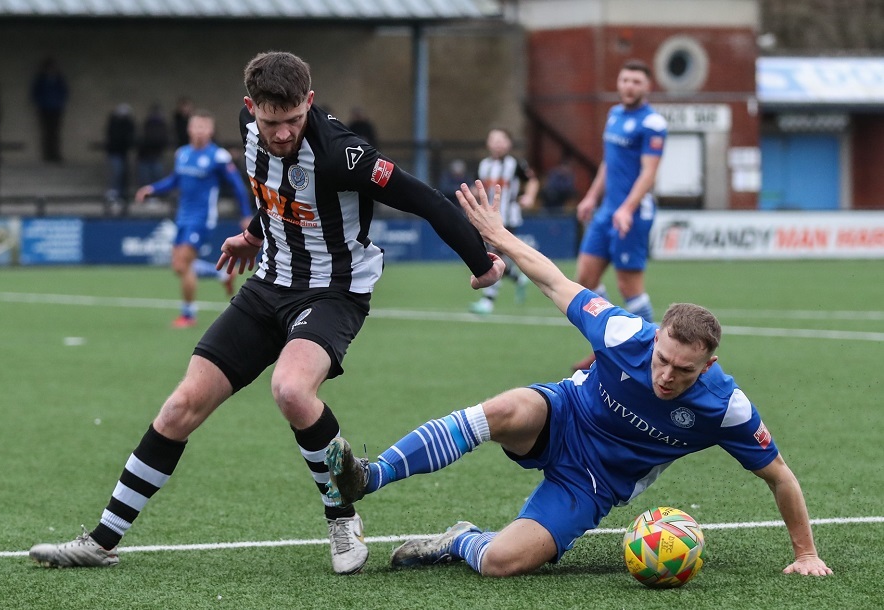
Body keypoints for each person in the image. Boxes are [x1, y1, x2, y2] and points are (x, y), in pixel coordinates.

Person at [28, 51, 503, 575]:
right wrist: (253, 234)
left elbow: (427, 200)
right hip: (268, 285)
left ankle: (341, 516)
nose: (282, 134)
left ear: (310, 103)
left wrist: (481, 264)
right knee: (180, 406)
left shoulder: (345, 155)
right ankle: (101, 540)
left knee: (292, 390)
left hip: (333, 291)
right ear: (251, 108)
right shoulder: (248, 128)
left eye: (294, 120)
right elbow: (273, 191)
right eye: (272, 122)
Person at [324, 180, 833, 580]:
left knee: (503, 563)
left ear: (709, 366)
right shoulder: (624, 332)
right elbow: (555, 281)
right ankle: (371, 475)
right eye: (662, 359)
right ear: (655, 340)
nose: (666, 375)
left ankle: (460, 539)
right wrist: (499, 236)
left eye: (684, 371)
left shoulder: (726, 407)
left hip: (592, 484)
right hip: (563, 414)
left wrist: (806, 553)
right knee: (503, 411)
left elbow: (779, 475)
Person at [572, 59, 667, 371]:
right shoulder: (613, 115)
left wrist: (627, 208)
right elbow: (608, 163)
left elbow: (649, 173)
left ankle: (653, 350)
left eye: (636, 81)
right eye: (625, 80)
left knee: (629, 287)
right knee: (584, 280)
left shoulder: (652, 123)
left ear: (647, 87)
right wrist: (591, 196)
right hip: (606, 212)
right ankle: (608, 347)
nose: (629, 86)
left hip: (633, 214)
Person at [132, 109, 253, 327]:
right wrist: (152, 188)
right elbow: (174, 181)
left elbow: (237, 186)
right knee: (178, 266)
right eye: (196, 126)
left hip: (202, 218)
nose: (199, 131)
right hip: (182, 217)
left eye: (204, 127)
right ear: (189, 128)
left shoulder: (217, 156)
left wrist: (245, 215)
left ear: (210, 131)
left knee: (183, 263)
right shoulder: (183, 153)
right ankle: (223, 275)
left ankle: (188, 315)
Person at [469, 127, 539, 314]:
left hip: (508, 218)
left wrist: (529, 197)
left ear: (508, 143)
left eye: (502, 140)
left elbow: (532, 181)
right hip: (487, 219)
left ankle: (488, 301)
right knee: (496, 257)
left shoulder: (515, 164)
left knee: (492, 255)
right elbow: (478, 188)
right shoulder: (483, 165)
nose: (498, 143)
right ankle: (518, 278)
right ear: (488, 143)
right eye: (494, 139)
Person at [30, 57, 69, 163]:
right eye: (49, 67)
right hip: (44, 108)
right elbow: (35, 93)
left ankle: (55, 155)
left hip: (56, 108)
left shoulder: (58, 79)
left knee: (55, 132)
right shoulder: (41, 79)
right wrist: (40, 103)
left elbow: (64, 91)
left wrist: (60, 102)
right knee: (46, 132)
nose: (51, 69)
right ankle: (47, 155)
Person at [104, 103, 136, 206]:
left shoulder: (128, 123)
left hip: (123, 153)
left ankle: (121, 195)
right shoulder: (114, 122)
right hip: (114, 153)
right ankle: (114, 194)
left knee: (123, 175)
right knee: (116, 173)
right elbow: (114, 137)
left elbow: (130, 137)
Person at [136, 102, 170, 187]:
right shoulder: (147, 124)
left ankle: (156, 195)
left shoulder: (162, 126)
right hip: (145, 155)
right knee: (145, 178)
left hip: (156, 155)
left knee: (156, 178)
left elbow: (162, 140)